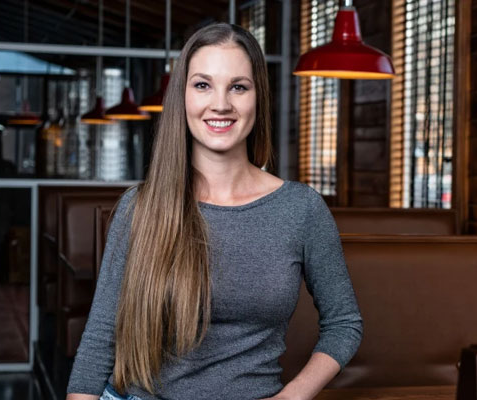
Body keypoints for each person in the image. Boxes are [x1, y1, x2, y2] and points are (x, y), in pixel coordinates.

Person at [66, 23, 362, 400]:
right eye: (203, 85)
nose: (220, 104)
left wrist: (294, 395)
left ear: (258, 98)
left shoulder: (301, 208)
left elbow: (344, 323)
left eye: (238, 86)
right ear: (182, 97)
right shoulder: (139, 207)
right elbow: (100, 338)